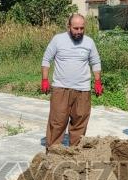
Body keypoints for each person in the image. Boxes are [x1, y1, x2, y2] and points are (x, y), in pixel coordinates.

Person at [41, 14, 102, 148]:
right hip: (61, 88)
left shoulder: (89, 42)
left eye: (82, 28)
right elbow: (46, 59)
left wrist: (98, 82)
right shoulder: (58, 40)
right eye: (76, 28)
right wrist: (44, 79)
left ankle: (76, 152)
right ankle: (53, 152)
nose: (79, 31)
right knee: (57, 121)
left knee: (80, 122)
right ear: (69, 27)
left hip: (83, 90)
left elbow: (95, 62)